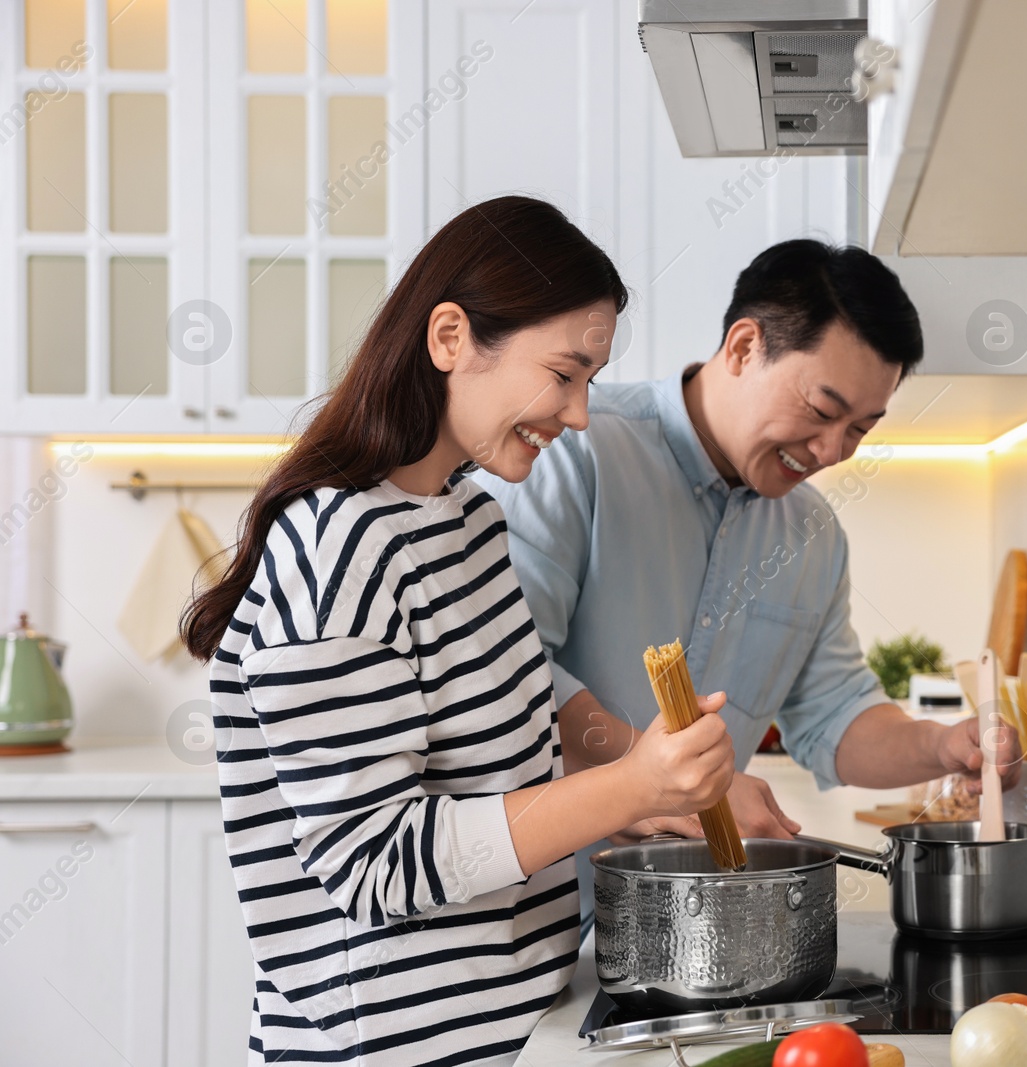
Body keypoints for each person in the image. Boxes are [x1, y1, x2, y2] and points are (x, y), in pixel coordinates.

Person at [180, 196, 736, 1066]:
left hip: (515, 1024)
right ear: (450, 338)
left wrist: (640, 776)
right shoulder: (338, 546)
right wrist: (627, 789)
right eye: (564, 373)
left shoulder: (465, 513)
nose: (580, 413)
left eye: (590, 380)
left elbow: (520, 712)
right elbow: (375, 861)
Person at [477, 240, 1022, 901]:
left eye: (860, 430)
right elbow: (507, 668)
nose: (830, 451)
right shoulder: (576, 452)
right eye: (823, 411)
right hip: (539, 918)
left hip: (692, 931)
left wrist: (941, 745)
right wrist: (669, 779)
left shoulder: (813, 534)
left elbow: (837, 717)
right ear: (742, 347)